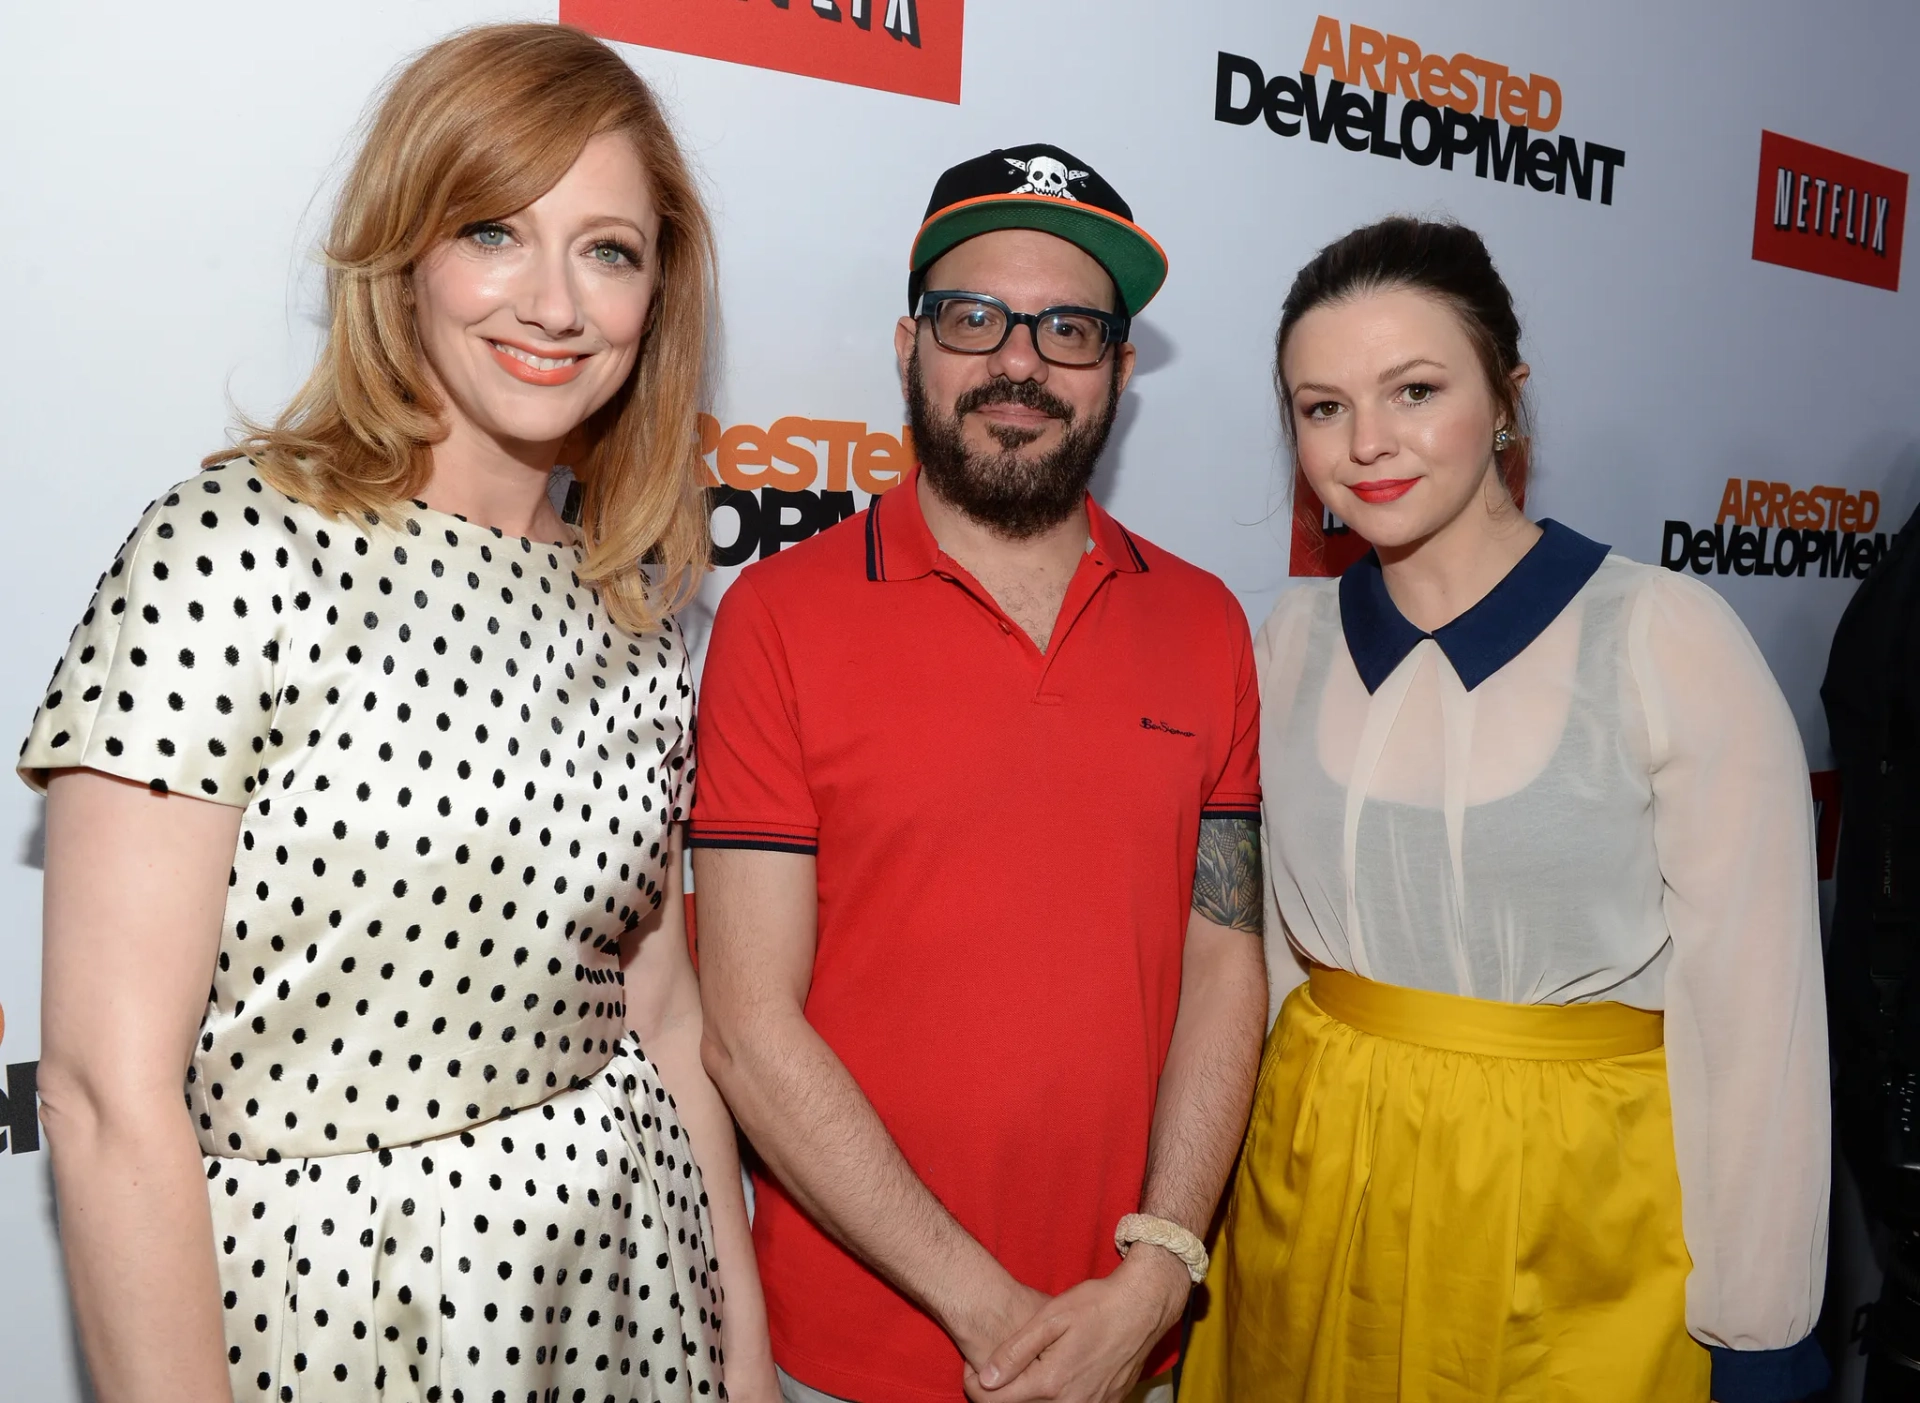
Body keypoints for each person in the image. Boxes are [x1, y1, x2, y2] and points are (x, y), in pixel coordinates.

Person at [22, 24, 775, 1403]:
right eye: (495, 230)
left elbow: (657, 1012)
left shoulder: (643, 609)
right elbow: (100, 1093)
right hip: (335, 1316)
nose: (554, 302)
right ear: (405, 252)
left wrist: (746, 1358)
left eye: (608, 250)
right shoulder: (233, 551)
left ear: (656, 294)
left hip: (628, 1273)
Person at [1179, 216, 1831, 1403]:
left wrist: (1763, 1322)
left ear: (1508, 397)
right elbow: (1268, 967)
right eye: (1322, 408)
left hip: (1578, 1223)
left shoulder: (1664, 635)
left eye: (1415, 389)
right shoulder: (1290, 641)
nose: (1366, 443)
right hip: (1315, 1195)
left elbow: (1757, 1009)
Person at [690, 145, 1268, 1403]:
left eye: (1069, 327)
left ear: (1119, 366)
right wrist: (992, 1312)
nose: (1020, 361)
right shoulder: (778, 617)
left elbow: (1226, 957)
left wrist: (1163, 1266)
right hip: (858, 1353)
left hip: (1132, 1344)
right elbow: (745, 1022)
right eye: (975, 318)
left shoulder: (1211, 622)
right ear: (911, 348)